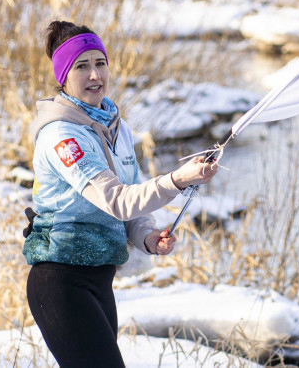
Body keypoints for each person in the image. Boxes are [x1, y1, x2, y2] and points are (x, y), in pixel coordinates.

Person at [23, 21, 218, 367]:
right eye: (82, 66)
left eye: (100, 63)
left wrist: (145, 236)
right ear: (64, 76)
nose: (95, 74)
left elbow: (132, 202)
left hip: (100, 279)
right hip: (60, 282)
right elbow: (117, 200)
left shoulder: (117, 126)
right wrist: (177, 180)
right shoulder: (62, 136)